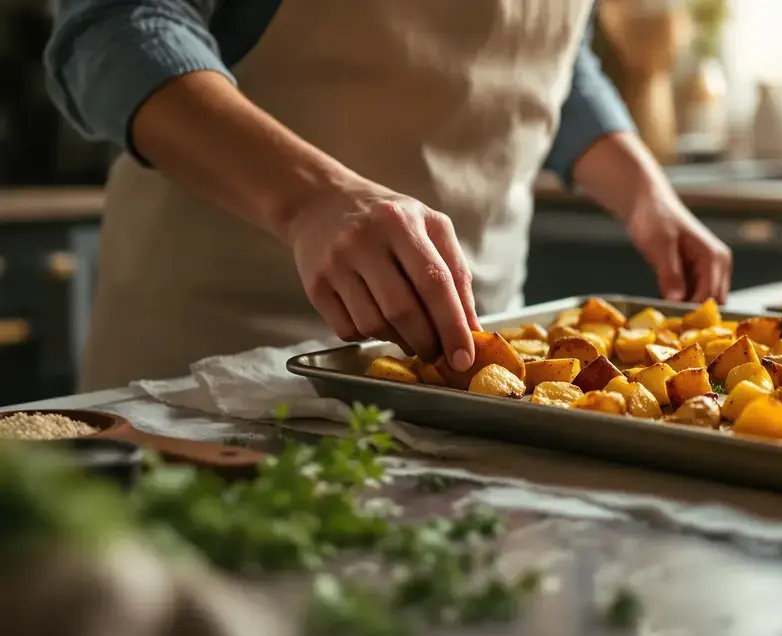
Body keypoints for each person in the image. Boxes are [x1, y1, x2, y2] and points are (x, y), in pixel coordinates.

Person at [45, 0, 732, 391]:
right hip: (222, 373)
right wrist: (313, 198)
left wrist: (645, 192)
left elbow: (549, 55)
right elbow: (116, 28)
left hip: (478, 381)